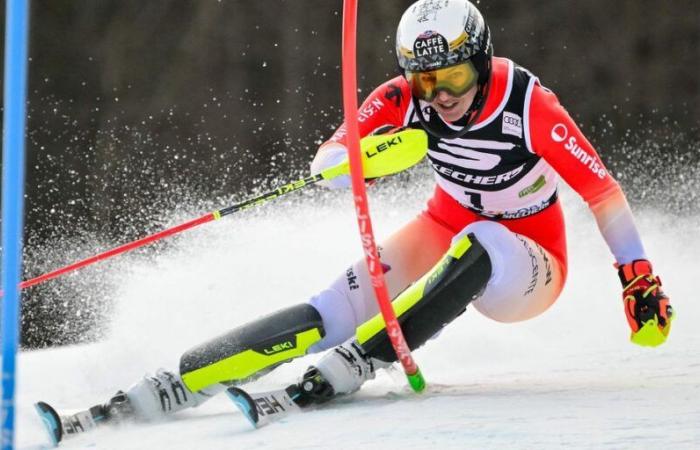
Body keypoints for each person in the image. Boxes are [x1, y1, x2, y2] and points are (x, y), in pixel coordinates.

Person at [37, 0, 674, 442]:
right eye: (426, 82)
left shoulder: (526, 102)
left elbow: (602, 189)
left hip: (530, 266)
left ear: (480, 61)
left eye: (453, 75)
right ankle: (173, 383)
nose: (442, 95)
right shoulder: (404, 98)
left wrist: (637, 275)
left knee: (482, 239)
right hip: (443, 226)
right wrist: (358, 161)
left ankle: (359, 361)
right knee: (334, 303)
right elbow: (331, 155)